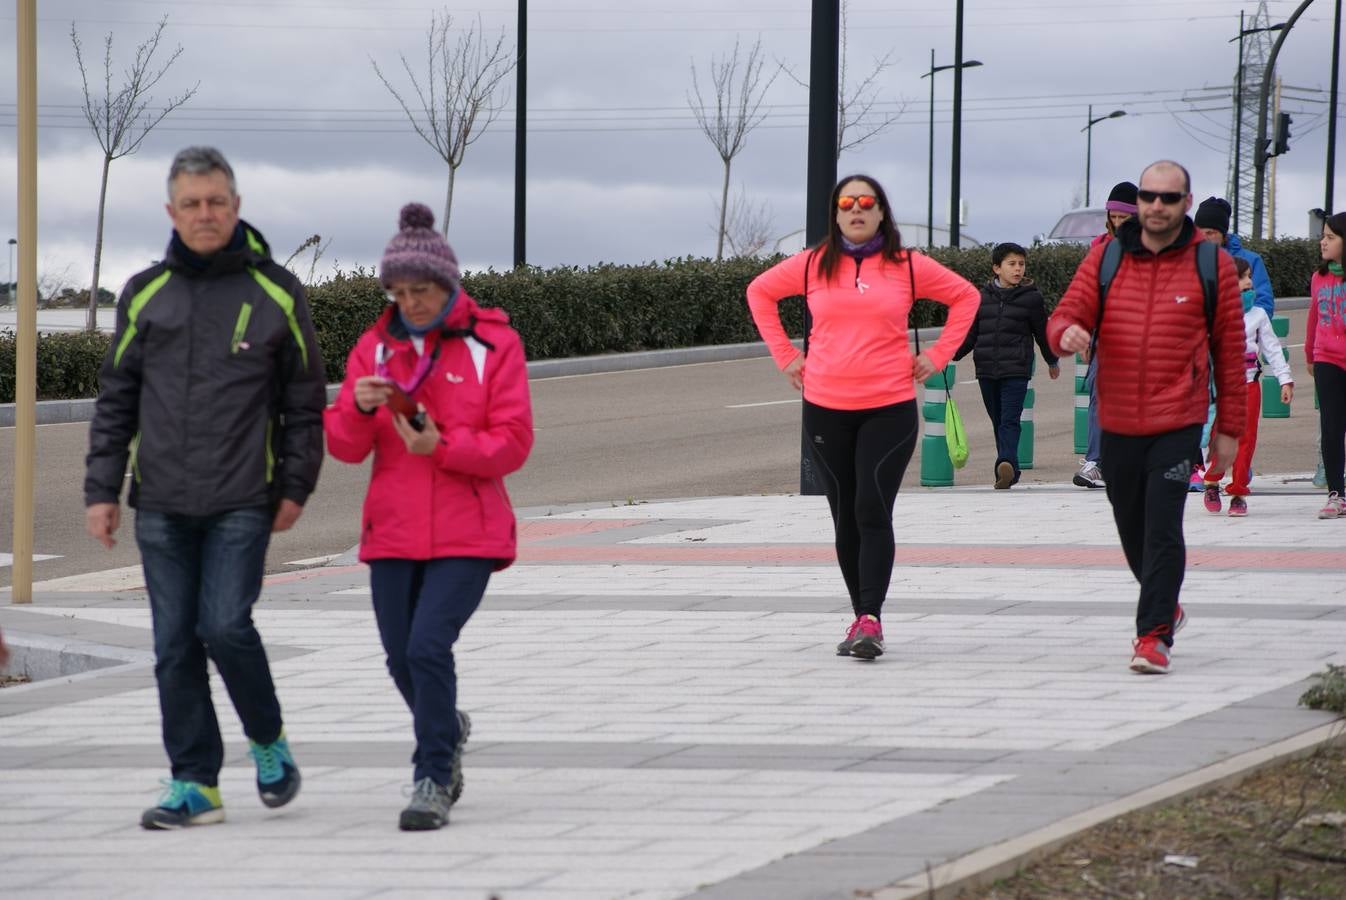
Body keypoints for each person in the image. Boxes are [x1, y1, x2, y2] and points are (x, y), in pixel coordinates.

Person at [84, 146, 325, 828]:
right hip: (159, 503)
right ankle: (196, 783)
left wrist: (296, 485)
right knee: (173, 646)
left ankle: (268, 741)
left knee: (223, 625)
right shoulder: (144, 294)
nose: (205, 214)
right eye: (191, 204)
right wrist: (101, 491)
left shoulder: (276, 291)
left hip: (242, 499)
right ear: (171, 212)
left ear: (237, 206)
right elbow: (116, 401)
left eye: (216, 201)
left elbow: (305, 402)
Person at [324, 203, 533, 830]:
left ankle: (433, 775)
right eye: (400, 291)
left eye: (422, 290)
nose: (410, 302)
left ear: (447, 284)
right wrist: (357, 409)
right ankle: (446, 724)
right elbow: (344, 446)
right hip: (391, 531)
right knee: (398, 657)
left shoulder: (493, 341)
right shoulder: (373, 347)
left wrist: (439, 446)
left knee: (426, 647)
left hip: (469, 531)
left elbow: (514, 442)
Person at [746, 174, 979, 660]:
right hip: (825, 409)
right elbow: (759, 293)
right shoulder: (812, 265)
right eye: (846, 203)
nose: (856, 209)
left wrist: (936, 357)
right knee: (844, 515)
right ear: (834, 214)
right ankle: (861, 619)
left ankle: (871, 615)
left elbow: (967, 298)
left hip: (889, 408)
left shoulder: (908, 266)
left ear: (881, 212)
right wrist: (786, 356)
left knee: (871, 507)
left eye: (865, 202)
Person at [1048, 160, 1245, 675]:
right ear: (1139, 203)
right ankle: (1166, 603)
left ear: (1185, 201)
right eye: (1150, 197)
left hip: (1178, 420)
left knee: (1162, 527)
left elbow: (1230, 351)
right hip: (1115, 421)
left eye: (1169, 197)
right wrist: (1064, 332)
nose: (1158, 206)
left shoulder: (1212, 264)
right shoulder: (1107, 258)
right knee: (1131, 527)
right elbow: (1064, 314)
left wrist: (1228, 430)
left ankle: (1153, 634)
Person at [954, 242, 1060, 489]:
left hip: (1016, 370)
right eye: (1012, 264)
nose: (1018, 269)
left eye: (1021, 264)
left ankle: (1004, 462)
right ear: (996, 268)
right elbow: (971, 335)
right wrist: (951, 355)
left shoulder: (1031, 298)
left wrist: (1051, 359)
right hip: (987, 370)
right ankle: (1011, 470)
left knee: (1009, 420)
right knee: (998, 420)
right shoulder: (981, 298)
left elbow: (1042, 333)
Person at [1200, 256, 1293, 516]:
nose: (1248, 282)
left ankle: (1238, 491)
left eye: (1249, 277)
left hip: (1250, 386)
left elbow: (1273, 350)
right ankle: (1212, 480)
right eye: (1242, 277)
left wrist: (1285, 379)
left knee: (1246, 440)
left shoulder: (1259, 315)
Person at [1076, 181, 1138, 489]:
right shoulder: (1098, 247)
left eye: (1123, 218)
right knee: (1098, 393)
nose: (1117, 223)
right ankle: (1095, 461)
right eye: (1113, 217)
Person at [1307, 212, 1346, 518]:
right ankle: (1336, 494)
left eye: (1331, 237)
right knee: (1331, 428)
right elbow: (1312, 318)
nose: (1323, 241)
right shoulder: (1319, 278)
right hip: (1326, 359)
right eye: (1323, 236)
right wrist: (1310, 353)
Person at [1194, 196, 1274, 315]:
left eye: (1210, 233)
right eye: (1199, 232)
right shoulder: (1186, 260)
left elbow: (1264, 305)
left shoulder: (1251, 260)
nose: (1203, 238)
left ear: (1223, 234)